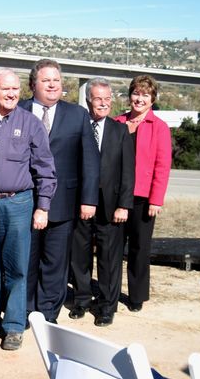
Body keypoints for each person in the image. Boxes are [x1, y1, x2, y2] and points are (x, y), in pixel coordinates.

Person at [0, 68, 57, 350]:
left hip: (18, 203)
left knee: (17, 268)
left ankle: (13, 326)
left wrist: (42, 207)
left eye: (15, 89)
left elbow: (45, 168)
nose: (11, 94)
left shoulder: (31, 123)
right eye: (5, 89)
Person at [19, 59, 100, 324]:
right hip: (25, 200)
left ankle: (48, 313)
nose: (52, 85)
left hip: (64, 201)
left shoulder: (77, 115)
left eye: (56, 80)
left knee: (55, 263)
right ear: (33, 84)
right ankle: (27, 310)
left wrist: (89, 200)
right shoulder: (18, 110)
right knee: (26, 261)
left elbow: (90, 160)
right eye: (46, 80)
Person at [69, 77, 135, 326]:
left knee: (109, 257)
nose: (104, 103)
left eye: (108, 99)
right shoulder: (77, 126)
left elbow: (128, 171)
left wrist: (123, 205)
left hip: (111, 206)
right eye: (99, 99)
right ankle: (82, 300)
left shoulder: (120, 130)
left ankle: (107, 306)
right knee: (79, 256)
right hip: (80, 203)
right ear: (88, 101)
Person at [115, 74, 172, 312]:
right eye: (136, 93)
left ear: (152, 99)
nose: (139, 99)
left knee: (139, 249)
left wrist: (156, 199)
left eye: (145, 95)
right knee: (113, 249)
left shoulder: (159, 127)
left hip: (143, 199)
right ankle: (110, 294)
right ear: (130, 96)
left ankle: (136, 297)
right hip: (116, 198)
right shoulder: (116, 122)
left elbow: (162, 165)